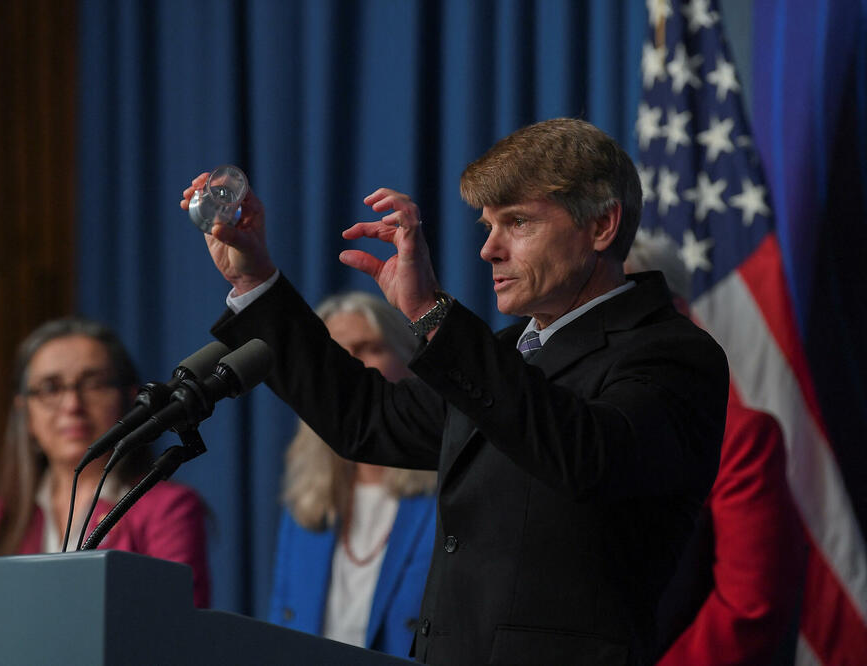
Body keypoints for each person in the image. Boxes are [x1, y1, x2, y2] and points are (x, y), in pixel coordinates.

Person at [182, 118, 728, 664]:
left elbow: (584, 454)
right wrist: (254, 281)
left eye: (517, 223)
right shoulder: (509, 352)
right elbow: (367, 420)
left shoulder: (671, 353)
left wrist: (429, 314)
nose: (489, 250)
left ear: (603, 226)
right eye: (486, 227)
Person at [625, 233, 806, 664]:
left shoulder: (739, 439)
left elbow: (749, 609)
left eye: (625, 309)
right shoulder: (565, 435)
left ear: (679, 314)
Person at [0, 317, 212, 607]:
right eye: (51, 388)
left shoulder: (168, 509)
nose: (72, 405)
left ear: (131, 400)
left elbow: (175, 627)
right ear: (25, 412)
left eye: (94, 384)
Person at [268, 291, 437, 656]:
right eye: (337, 353)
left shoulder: (449, 497)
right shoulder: (305, 503)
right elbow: (279, 631)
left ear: (409, 361)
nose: (349, 366)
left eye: (368, 348)